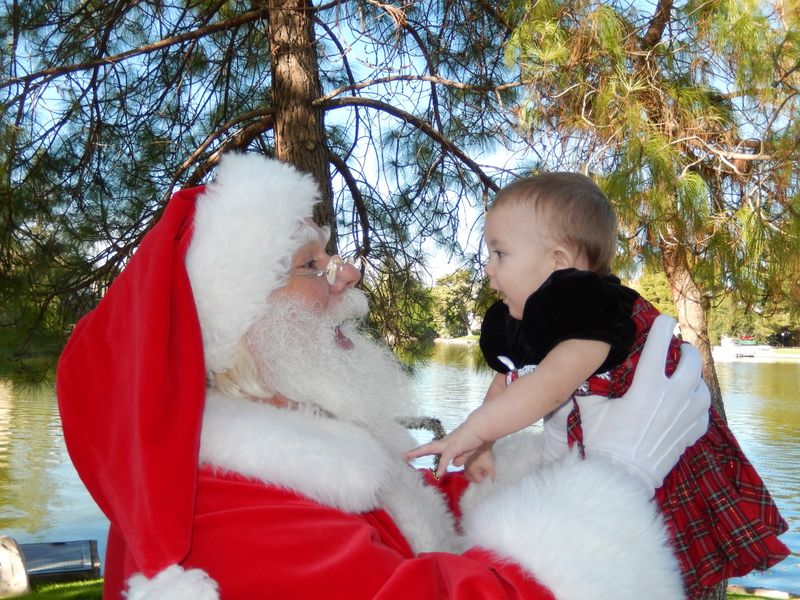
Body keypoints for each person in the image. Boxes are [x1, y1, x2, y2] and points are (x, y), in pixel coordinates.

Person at [58, 153, 710, 600]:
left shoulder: (286, 462)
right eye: (311, 265)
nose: (346, 275)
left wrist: (540, 460)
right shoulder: (219, 511)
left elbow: (410, 533)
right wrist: (611, 483)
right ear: (233, 321)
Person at [406, 173, 790, 599]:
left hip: (666, 471)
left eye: (500, 253)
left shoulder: (594, 312)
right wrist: (484, 444)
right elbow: (510, 380)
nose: (487, 267)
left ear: (557, 260)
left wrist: (469, 434)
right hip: (607, 458)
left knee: (655, 569)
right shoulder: (539, 313)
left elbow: (546, 389)